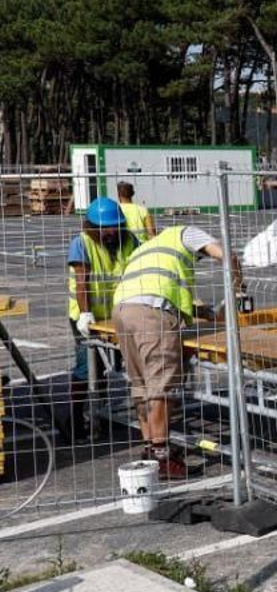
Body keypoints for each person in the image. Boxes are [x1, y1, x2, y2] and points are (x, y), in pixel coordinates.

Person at [111, 224, 244, 479]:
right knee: (162, 386)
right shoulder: (186, 233)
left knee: (142, 384)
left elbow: (155, 288)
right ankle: (162, 456)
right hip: (151, 315)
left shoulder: (149, 249)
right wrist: (239, 284)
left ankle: (151, 450)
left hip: (122, 310)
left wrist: (201, 312)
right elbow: (226, 255)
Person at [67, 197, 139, 436]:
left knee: (109, 366)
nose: (111, 232)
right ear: (93, 227)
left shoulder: (129, 241)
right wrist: (85, 314)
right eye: (105, 228)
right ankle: (75, 416)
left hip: (117, 316)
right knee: (87, 367)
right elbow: (82, 282)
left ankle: (101, 413)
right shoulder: (82, 243)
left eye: (115, 227)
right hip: (87, 317)